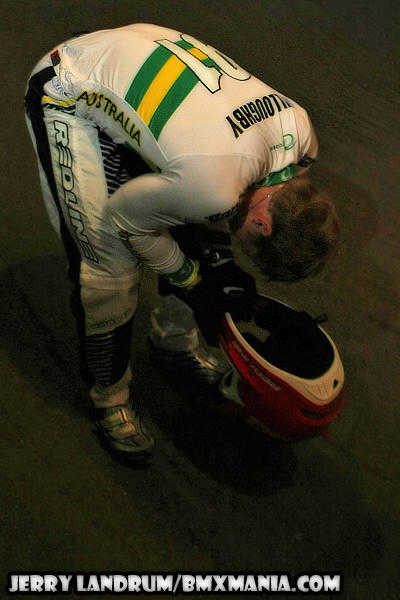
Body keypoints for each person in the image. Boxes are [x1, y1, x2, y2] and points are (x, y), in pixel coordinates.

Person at [24, 23, 339, 463]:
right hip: (67, 87)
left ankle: (174, 340)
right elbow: (125, 220)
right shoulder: (216, 185)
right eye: (252, 247)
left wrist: (210, 267)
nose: (244, 247)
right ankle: (110, 399)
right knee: (110, 271)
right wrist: (193, 280)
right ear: (263, 225)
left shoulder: (303, 139)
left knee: (205, 223)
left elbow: (215, 197)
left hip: (136, 60)